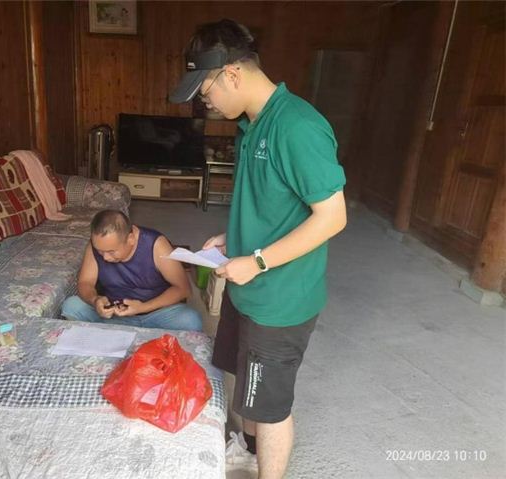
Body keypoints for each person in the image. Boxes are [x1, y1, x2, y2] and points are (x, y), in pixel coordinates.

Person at [169, 19, 347, 479]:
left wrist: (260, 260)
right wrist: (234, 238)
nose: (203, 101)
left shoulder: (297, 127)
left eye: (205, 89)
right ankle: (247, 451)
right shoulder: (251, 124)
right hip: (246, 286)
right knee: (244, 384)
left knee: (269, 407)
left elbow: (333, 216)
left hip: (279, 302)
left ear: (231, 74)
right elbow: (275, 205)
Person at [61, 209, 202, 332]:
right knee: (71, 306)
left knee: (190, 320)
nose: (105, 258)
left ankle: (115, 333)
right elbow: (85, 282)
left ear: (131, 239)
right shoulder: (96, 246)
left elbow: (183, 289)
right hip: (114, 315)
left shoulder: (156, 245)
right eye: (100, 251)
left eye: (111, 251)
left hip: (155, 314)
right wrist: (95, 300)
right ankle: (120, 332)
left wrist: (143, 307)